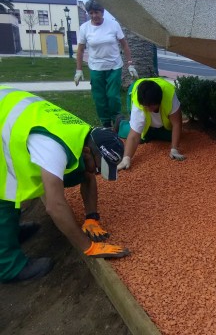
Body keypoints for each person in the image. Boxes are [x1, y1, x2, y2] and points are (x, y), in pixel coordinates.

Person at [0, 86, 130, 283]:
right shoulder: (54, 150)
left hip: (10, 113)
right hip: (5, 124)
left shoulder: (86, 136)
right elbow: (54, 206)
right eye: (99, 166)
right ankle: (9, 266)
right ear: (89, 151)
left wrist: (91, 218)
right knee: (5, 194)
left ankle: (12, 232)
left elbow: (87, 175)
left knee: (80, 169)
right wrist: (88, 246)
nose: (97, 172)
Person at [73, 0, 139, 127]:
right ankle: (106, 122)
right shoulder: (84, 28)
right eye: (91, 13)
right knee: (99, 97)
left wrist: (130, 64)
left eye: (96, 12)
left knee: (112, 95)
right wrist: (78, 70)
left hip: (114, 66)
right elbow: (80, 50)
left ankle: (117, 119)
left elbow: (124, 45)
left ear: (102, 12)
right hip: (96, 67)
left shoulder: (113, 25)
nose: (94, 16)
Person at [115, 78, 185, 170]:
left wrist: (174, 149)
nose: (148, 109)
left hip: (156, 95)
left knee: (171, 136)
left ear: (159, 102)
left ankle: (151, 131)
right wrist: (126, 158)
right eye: (146, 106)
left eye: (151, 106)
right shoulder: (138, 103)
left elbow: (177, 124)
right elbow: (134, 135)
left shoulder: (170, 97)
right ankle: (121, 123)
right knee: (140, 137)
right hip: (135, 89)